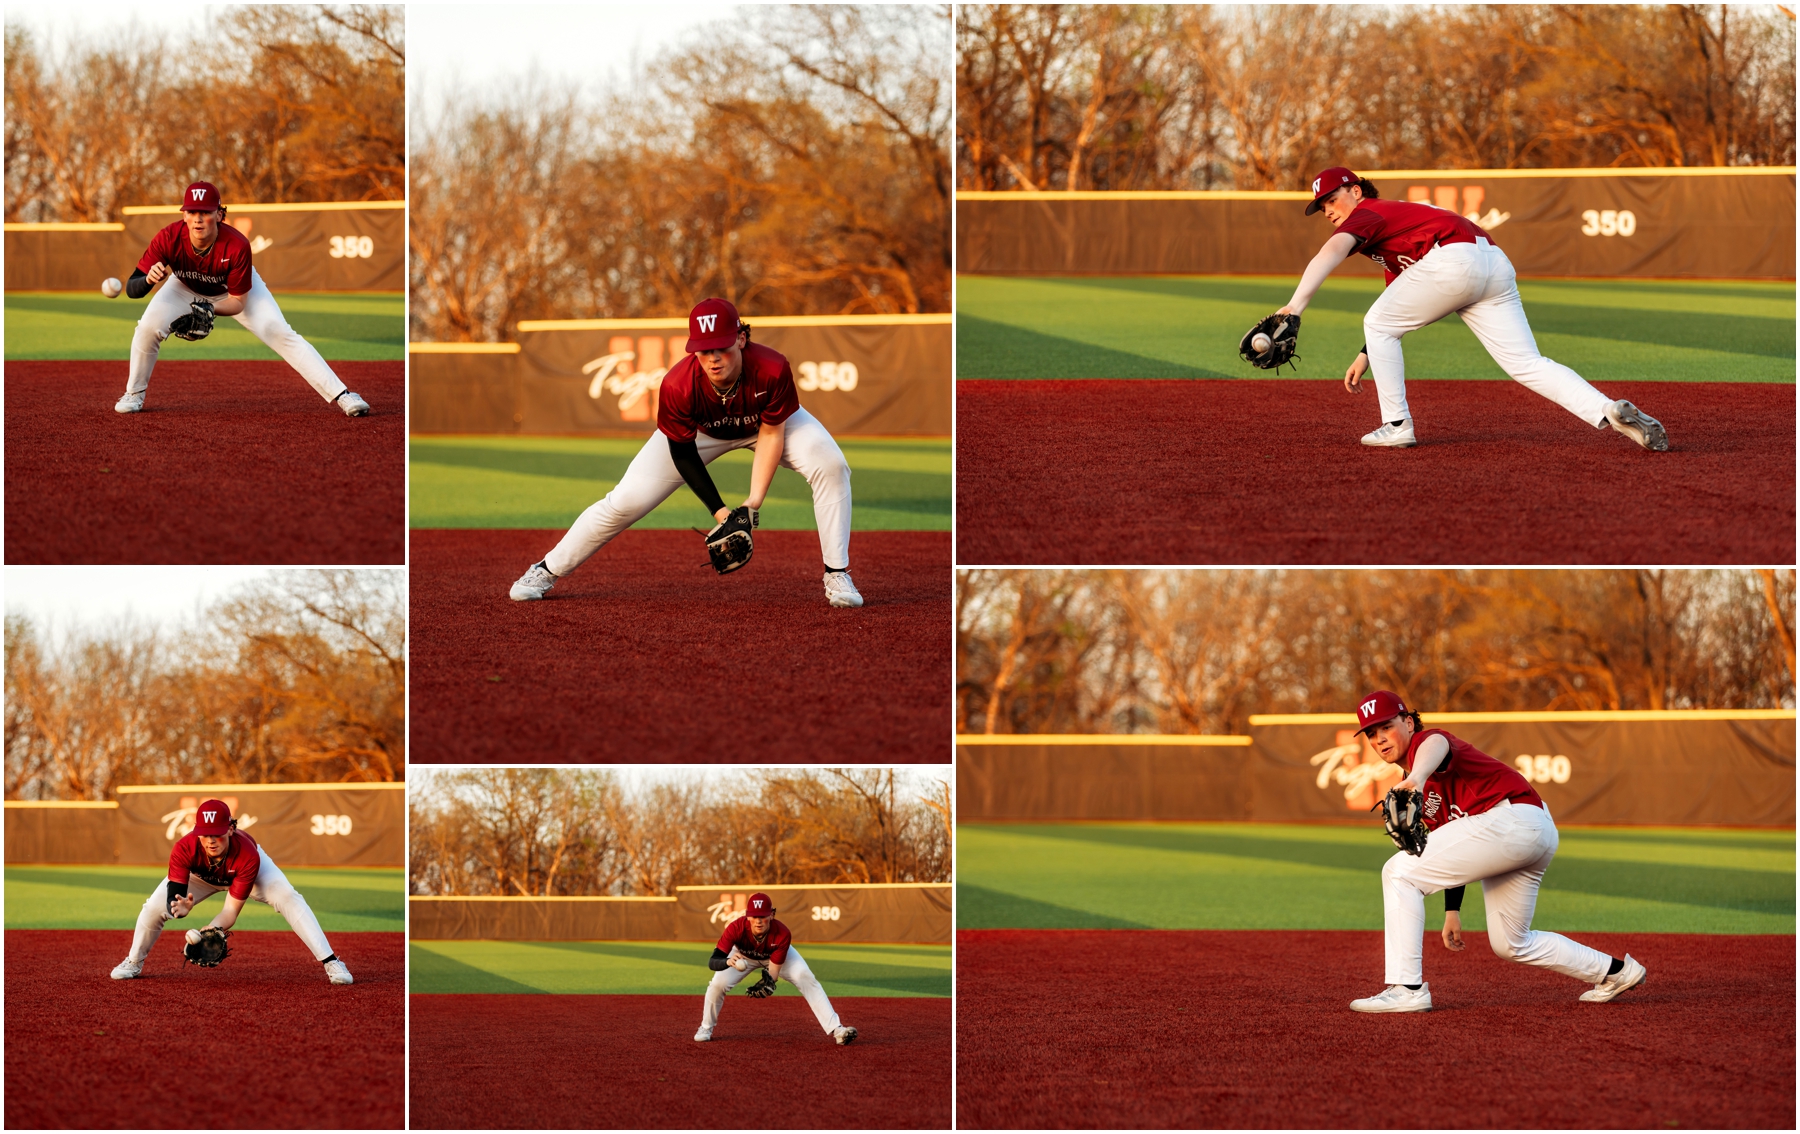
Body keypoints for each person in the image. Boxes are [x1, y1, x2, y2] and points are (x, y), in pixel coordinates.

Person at [1279, 166, 1667, 451]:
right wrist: (1367, 354)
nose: (1328, 210)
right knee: (1526, 363)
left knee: (1377, 321)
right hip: (1492, 262)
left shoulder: (1370, 213)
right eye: (1322, 206)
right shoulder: (1394, 227)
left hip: (1453, 261)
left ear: (1356, 191)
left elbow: (1330, 251)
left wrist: (1295, 307)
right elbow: (1399, 295)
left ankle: (1396, 425)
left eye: (1332, 200)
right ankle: (1611, 410)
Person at [509, 297, 863, 608]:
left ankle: (837, 573)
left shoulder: (772, 369)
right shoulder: (678, 384)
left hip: (765, 424)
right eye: (704, 350)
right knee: (625, 500)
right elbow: (683, 453)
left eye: (722, 347)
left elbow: (772, 434)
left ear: (741, 338)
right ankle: (546, 569)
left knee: (830, 464)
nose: (713, 358)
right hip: (703, 434)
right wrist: (723, 513)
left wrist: (753, 503)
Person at [1348, 690, 1647, 1013]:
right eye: (1371, 733)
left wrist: (1418, 777)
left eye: (1387, 727)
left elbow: (1438, 745)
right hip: (1531, 831)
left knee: (1397, 873)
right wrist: (1452, 911)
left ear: (1408, 723)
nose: (1379, 739)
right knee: (1511, 943)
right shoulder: (1419, 791)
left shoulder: (1427, 744)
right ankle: (1616, 972)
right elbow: (1451, 850)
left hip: (1510, 819)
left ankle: (1407, 988)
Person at [114, 181, 371, 417]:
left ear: (219, 214)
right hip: (182, 286)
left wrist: (208, 309)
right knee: (147, 328)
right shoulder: (168, 238)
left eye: (205, 212)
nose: (198, 219)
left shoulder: (237, 245)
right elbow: (132, 289)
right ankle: (134, 394)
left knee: (277, 330)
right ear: (184, 215)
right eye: (192, 212)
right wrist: (148, 280)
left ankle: (343, 395)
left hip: (231, 290)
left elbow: (238, 302)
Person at [108, 798, 354, 985]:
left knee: (287, 896)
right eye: (205, 834)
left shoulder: (247, 855)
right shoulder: (184, 849)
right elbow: (176, 901)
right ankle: (133, 961)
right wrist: (180, 910)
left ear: (230, 829)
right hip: (200, 876)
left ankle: (332, 961)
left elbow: (230, 910)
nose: (211, 840)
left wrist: (212, 930)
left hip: (244, 871)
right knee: (153, 907)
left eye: (217, 833)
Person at [694, 891, 857, 1044]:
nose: (758, 921)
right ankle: (706, 1028)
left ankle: (837, 1030)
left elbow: (773, 973)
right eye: (754, 916)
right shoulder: (735, 928)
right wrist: (727, 961)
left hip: (773, 956)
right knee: (717, 984)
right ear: (747, 916)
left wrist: (769, 982)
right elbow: (713, 961)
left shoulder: (782, 933)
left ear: (772, 915)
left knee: (804, 976)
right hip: (742, 956)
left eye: (763, 916)